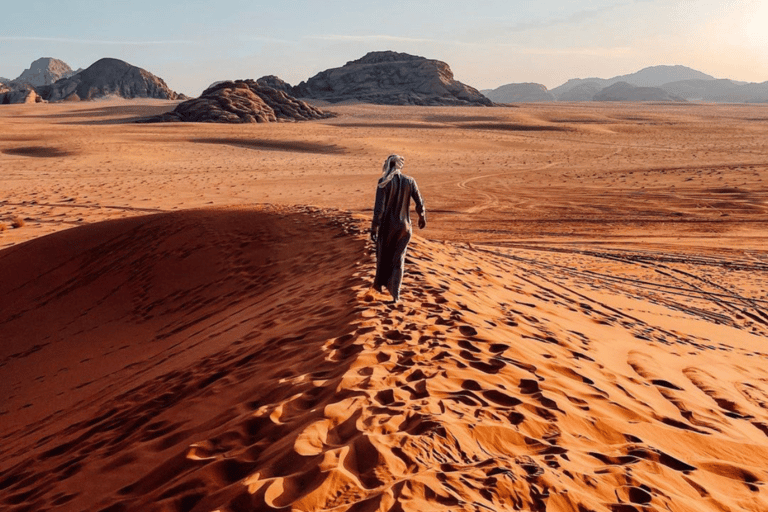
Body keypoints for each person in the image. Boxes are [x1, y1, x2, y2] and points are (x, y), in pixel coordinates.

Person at [371, 154, 426, 303]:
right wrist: (422, 217)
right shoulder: (410, 181)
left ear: (388, 165)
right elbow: (419, 202)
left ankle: (381, 285)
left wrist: (374, 227)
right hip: (405, 228)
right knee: (399, 259)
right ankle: (396, 295)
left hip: (388, 227)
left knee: (383, 256)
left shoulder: (383, 182)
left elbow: (379, 210)